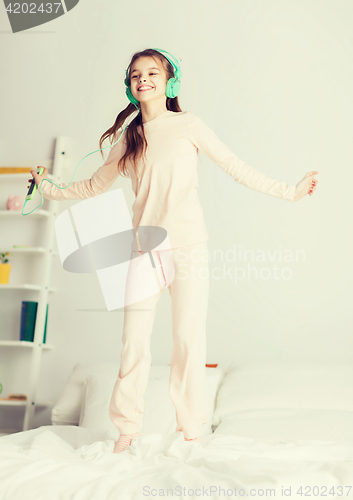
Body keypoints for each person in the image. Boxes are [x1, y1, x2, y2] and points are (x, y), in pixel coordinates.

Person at [29, 48, 319, 454]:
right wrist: (46, 187)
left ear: (170, 81)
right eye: (135, 74)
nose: (142, 78)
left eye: (151, 72)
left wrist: (290, 192)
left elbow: (236, 167)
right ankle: (127, 432)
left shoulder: (188, 125)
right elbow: (91, 187)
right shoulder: (129, 138)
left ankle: (191, 433)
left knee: (187, 341)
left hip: (188, 246)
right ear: (129, 87)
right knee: (134, 344)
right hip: (143, 250)